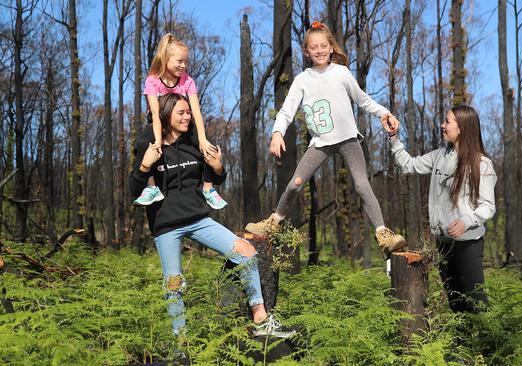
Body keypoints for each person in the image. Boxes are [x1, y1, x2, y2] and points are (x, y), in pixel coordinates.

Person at [129, 93, 294, 338]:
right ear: (165, 116)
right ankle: (180, 342)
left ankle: (260, 319)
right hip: (166, 226)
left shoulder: (195, 143)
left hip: (199, 219)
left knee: (247, 251)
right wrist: (144, 165)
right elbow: (135, 190)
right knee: (174, 283)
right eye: (181, 113)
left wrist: (217, 166)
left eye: (188, 112)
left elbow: (217, 178)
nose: (187, 117)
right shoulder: (152, 146)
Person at [245, 21, 406, 256]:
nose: (319, 50)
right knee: (295, 183)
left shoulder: (341, 73)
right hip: (320, 142)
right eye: (314, 47)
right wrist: (277, 132)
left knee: (361, 184)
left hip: (348, 139)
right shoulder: (302, 80)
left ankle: (383, 233)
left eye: (323, 46)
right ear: (307, 52)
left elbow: (363, 100)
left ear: (331, 48)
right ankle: (274, 222)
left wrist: (385, 112)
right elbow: (287, 110)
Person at [383, 105, 497, 312]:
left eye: (447, 121)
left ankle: (488, 343)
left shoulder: (482, 164)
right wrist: (393, 138)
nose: (442, 125)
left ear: (462, 127)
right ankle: (463, 344)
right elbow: (408, 164)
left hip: (468, 245)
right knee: (456, 306)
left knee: (475, 304)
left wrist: (466, 222)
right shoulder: (439, 156)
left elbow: (488, 206)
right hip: (443, 245)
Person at [133, 33, 226, 210]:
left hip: (182, 120)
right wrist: (158, 142)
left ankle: (208, 188)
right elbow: (155, 112)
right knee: (145, 143)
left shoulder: (187, 81)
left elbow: (196, 112)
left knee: (207, 147)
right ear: (165, 59)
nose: (183, 65)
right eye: (179, 61)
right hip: (157, 121)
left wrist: (203, 140)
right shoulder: (152, 81)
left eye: (185, 61)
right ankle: (152, 187)